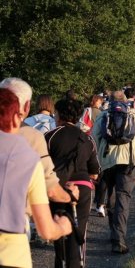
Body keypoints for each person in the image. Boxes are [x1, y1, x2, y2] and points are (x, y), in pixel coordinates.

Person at [0, 88, 72, 268]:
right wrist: (63, 226)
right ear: (19, 114)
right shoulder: (27, 158)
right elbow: (47, 230)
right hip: (10, 251)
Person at [0, 78, 79, 212]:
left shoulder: (30, 122)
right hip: (12, 219)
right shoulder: (31, 135)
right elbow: (50, 188)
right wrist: (70, 196)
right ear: (26, 106)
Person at [92, 91, 135, 254]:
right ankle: (119, 240)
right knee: (123, 199)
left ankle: (115, 234)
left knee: (111, 199)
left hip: (107, 161)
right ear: (125, 101)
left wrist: (95, 162)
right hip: (129, 162)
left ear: (109, 102)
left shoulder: (103, 115)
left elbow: (94, 138)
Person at [45, 98, 100, 268]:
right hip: (82, 188)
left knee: (58, 232)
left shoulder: (50, 136)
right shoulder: (87, 139)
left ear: (59, 114)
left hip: (58, 187)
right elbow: (95, 172)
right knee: (78, 233)